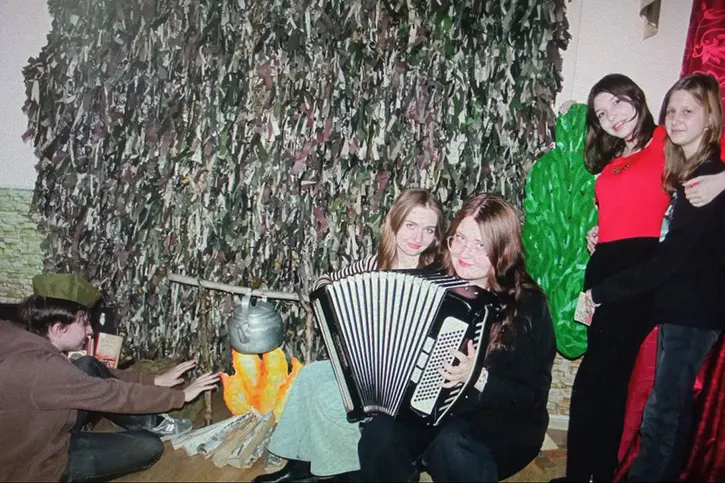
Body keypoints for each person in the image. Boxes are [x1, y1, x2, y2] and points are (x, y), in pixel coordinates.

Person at [560, 73, 725, 483]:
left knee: (602, 383)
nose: (610, 116)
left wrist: (724, 179)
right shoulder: (619, 155)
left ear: (637, 98)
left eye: (617, 103)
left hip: (638, 276)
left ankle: (586, 474)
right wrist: (601, 230)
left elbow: (674, 229)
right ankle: (593, 472)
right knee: (608, 383)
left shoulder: (667, 139)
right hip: (611, 267)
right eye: (600, 113)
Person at [357, 194, 556, 483]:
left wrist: (477, 377)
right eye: (460, 238)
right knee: (379, 433)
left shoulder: (528, 305)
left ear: (502, 250)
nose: (465, 252)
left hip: (502, 421)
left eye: (480, 245)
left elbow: (532, 396)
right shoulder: (432, 280)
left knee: (452, 446)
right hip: (434, 410)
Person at [255, 188, 446, 483]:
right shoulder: (374, 265)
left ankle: (345, 471)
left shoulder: (438, 277)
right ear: (395, 222)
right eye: (411, 225)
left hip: (406, 384)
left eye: (428, 229)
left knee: (328, 398)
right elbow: (328, 281)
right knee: (309, 376)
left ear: (436, 236)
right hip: (368, 369)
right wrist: (323, 290)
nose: (418, 237)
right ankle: (300, 463)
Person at [0, 275, 220, 482]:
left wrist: (154, 380)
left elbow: (81, 380)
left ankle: (154, 423)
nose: (90, 330)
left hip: (44, 430)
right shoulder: (43, 369)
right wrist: (181, 396)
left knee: (87, 364)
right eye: (84, 323)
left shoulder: (19, 334)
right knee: (149, 447)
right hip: (37, 464)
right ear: (58, 328)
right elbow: (112, 394)